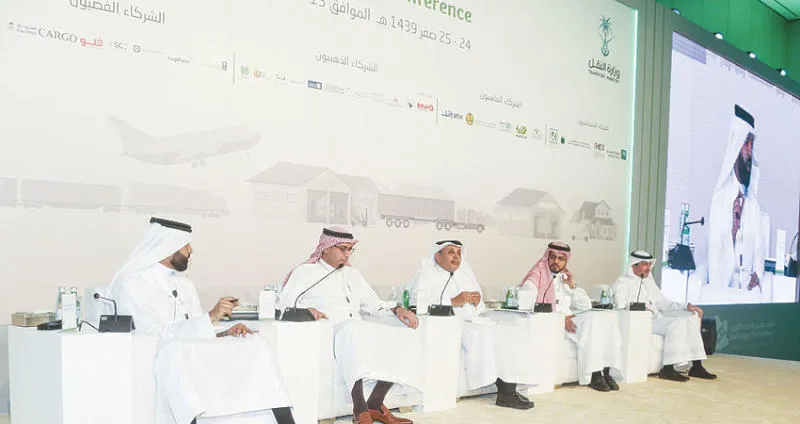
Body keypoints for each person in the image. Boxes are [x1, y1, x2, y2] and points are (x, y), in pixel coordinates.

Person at [109, 217, 295, 424]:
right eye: (185, 245)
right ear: (167, 247)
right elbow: (151, 335)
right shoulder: (131, 285)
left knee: (255, 343)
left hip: (193, 347)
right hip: (167, 352)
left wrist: (224, 332)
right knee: (177, 352)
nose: (190, 250)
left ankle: (282, 419)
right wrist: (210, 317)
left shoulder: (184, 284)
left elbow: (200, 326)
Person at [279, 227, 423, 424]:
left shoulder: (353, 274)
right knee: (351, 329)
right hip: (329, 331)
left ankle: (375, 403)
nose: (347, 254)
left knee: (404, 332)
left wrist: (398, 309)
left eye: (349, 249)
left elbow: (373, 304)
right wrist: (308, 310)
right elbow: (284, 304)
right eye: (342, 249)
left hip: (357, 329)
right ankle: (359, 407)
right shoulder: (305, 272)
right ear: (325, 248)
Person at [407, 240, 536, 409]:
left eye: (458, 253)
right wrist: (453, 301)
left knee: (511, 333)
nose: (456, 257)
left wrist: (477, 301)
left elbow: (479, 306)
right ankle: (505, 392)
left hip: (473, 321)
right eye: (450, 252)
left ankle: (510, 390)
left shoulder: (465, 273)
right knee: (483, 335)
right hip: (451, 325)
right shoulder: (426, 274)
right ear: (437, 256)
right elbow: (418, 304)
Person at [519, 241, 623, 392]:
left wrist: (572, 285)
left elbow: (586, 305)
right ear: (547, 257)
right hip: (551, 323)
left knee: (606, 318)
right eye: (553, 257)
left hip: (570, 322)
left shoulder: (564, 278)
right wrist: (560, 319)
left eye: (561, 259)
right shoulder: (535, 278)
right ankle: (593, 374)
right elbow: (528, 305)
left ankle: (606, 371)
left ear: (566, 261)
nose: (556, 261)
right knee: (592, 321)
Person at [611, 250, 717, 382]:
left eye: (649, 264)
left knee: (689, 318)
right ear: (633, 265)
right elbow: (619, 306)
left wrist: (686, 306)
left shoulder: (648, 281)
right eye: (644, 264)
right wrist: (640, 307)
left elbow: (663, 303)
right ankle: (668, 369)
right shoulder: (622, 283)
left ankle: (696, 366)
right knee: (676, 324)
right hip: (638, 322)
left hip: (656, 319)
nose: (648, 268)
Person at [707, 104, 767, 291]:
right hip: (725, 291)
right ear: (736, 145)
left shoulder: (753, 204)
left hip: (749, 292)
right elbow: (715, 260)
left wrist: (758, 273)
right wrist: (733, 230)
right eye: (746, 143)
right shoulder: (720, 200)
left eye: (752, 144)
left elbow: (759, 249)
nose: (750, 150)